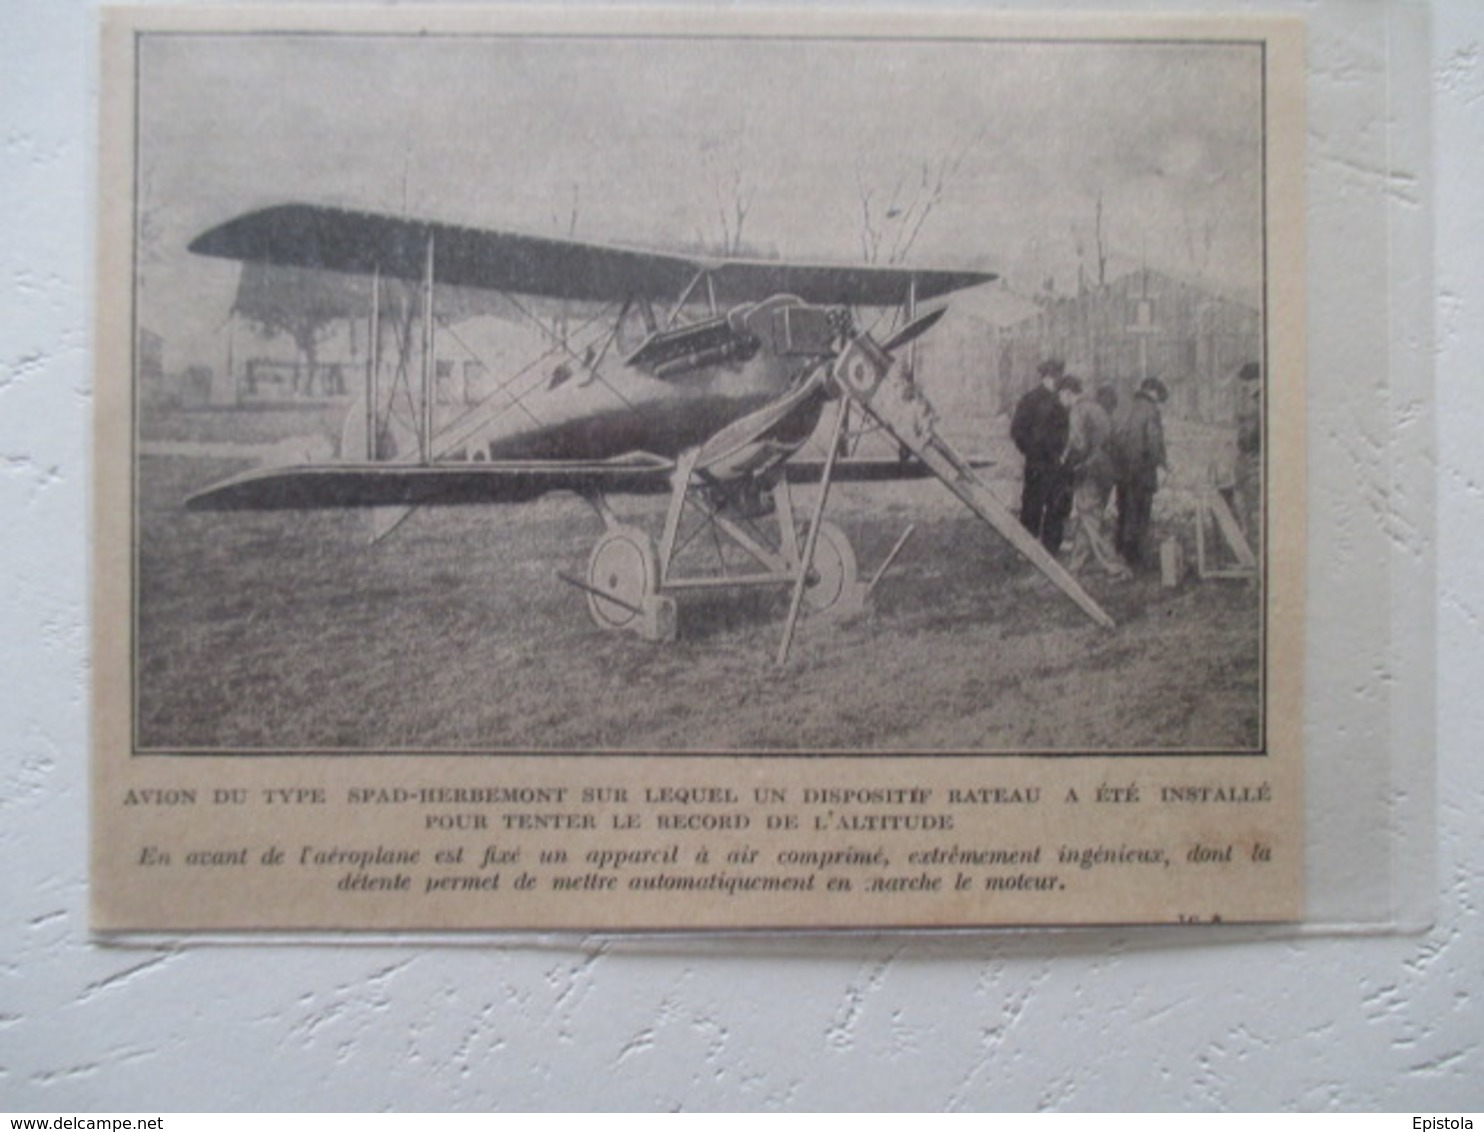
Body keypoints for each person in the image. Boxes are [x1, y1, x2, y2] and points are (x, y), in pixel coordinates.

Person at [1066, 383, 1131, 579]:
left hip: (1089, 472)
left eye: (1061, 396)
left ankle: (1115, 567)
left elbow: (1078, 444)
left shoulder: (1078, 410)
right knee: (1088, 518)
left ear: (1067, 393)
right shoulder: (1101, 411)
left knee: (1091, 518)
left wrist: (1069, 466)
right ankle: (1075, 565)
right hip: (1105, 472)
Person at [1010, 359, 1073, 554]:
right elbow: (1017, 430)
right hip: (1040, 461)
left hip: (1054, 461)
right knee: (1033, 502)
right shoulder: (1032, 399)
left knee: (1056, 501)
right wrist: (1031, 451)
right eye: (1053, 376)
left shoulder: (1061, 398)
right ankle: (1027, 546)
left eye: (1058, 375)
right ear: (1045, 376)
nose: (1056, 379)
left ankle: (1051, 543)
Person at [1112, 376, 1169, 570]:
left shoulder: (1123, 406)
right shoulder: (1151, 410)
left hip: (1121, 470)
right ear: (1153, 393)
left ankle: (1118, 552)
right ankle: (1134, 557)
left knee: (1124, 512)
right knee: (1140, 515)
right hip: (1142, 472)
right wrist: (1163, 463)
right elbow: (1153, 443)